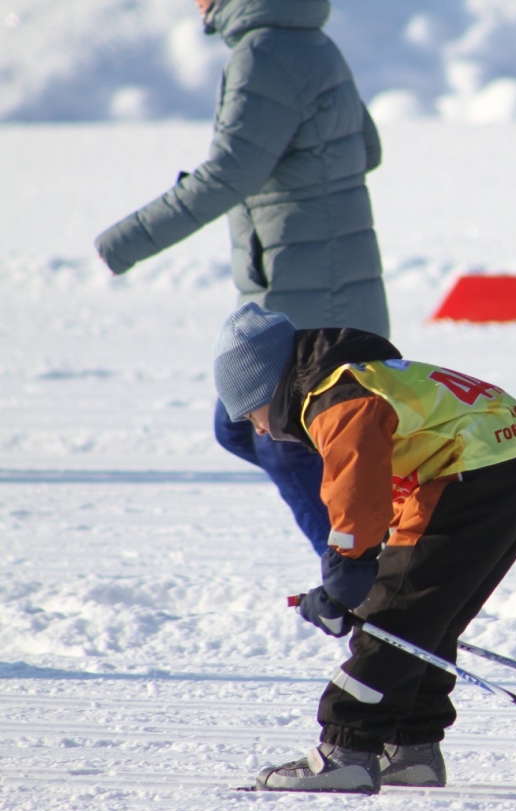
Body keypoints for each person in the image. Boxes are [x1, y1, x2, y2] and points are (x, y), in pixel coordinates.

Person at [211, 303, 516, 793]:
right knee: (422, 616)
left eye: (251, 413)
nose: (259, 429)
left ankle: (346, 750)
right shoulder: (362, 380)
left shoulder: (337, 398)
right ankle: (410, 746)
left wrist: (346, 572)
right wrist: (347, 578)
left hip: (474, 471)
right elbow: (388, 490)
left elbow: (354, 496)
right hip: (513, 461)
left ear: (267, 386)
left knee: (392, 616)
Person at [96, 0, 390, 556]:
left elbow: (232, 172)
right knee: (239, 425)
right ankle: (372, 546)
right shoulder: (314, 43)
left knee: (282, 440)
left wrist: (123, 241)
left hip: (304, 292)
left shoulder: (262, 54)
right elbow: (366, 149)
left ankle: (360, 579)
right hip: (323, 284)